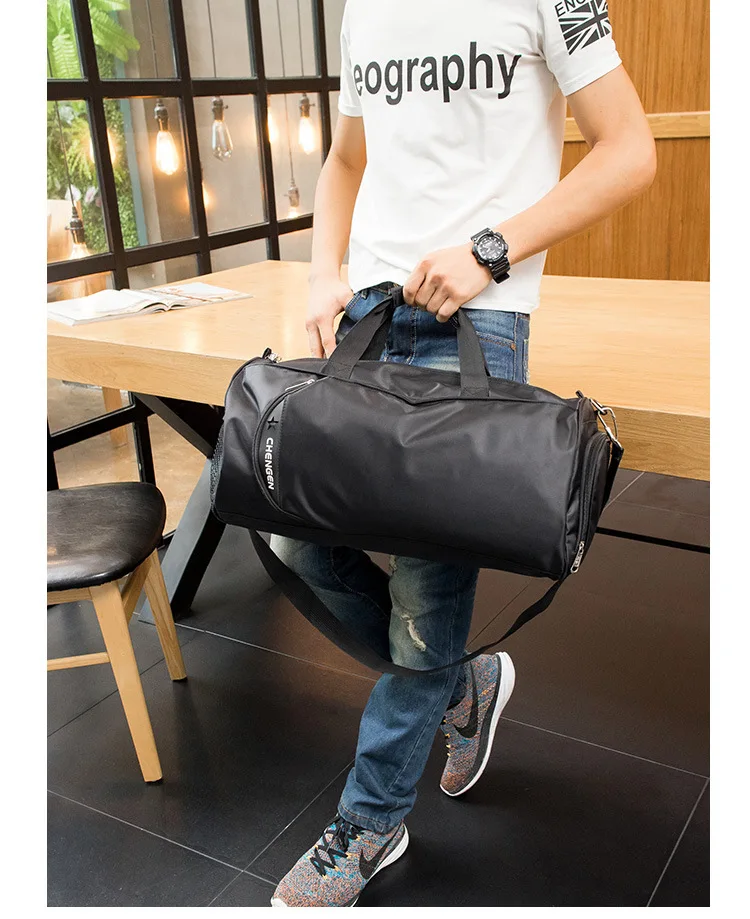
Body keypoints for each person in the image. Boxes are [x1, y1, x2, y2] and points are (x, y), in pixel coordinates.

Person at [270, 0, 655, 907]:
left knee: (427, 598)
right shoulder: (364, 10)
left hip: (473, 321)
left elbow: (630, 148)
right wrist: (322, 273)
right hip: (366, 316)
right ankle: (464, 684)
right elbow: (346, 159)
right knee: (296, 542)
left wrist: (492, 249)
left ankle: (370, 821)